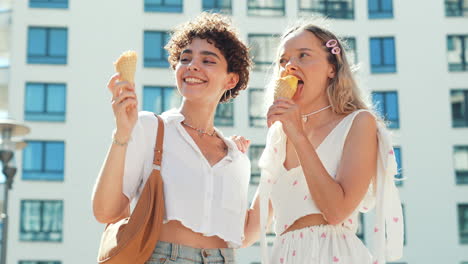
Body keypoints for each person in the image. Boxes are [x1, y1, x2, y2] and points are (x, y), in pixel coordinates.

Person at [237, 21, 404, 264]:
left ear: (332, 68)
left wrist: (298, 135)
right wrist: (229, 164)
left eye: (303, 56)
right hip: (284, 255)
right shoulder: (280, 135)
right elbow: (248, 231)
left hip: (334, 254)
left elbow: (336, 211)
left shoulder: (358, 123)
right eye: (284, 61)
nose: (290, 66)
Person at [92, 13, 252, 264]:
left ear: (231, 79)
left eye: (208, 60)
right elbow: (106, 211)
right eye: (185, 58)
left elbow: (242, 234)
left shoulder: (237, 158)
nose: (192, 66)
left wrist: (279, 158)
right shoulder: (150, 127)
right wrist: (122, 134)